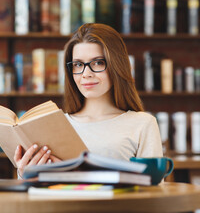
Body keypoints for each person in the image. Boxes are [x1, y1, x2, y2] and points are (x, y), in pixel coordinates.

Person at [14, 23, 163, 178]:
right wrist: (24, 174)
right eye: (78, 64)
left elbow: (153, 191)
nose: (86, 73)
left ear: (116, 65)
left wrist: (77, 174)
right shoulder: (55, 125)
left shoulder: (142, 124)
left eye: (98, 62)